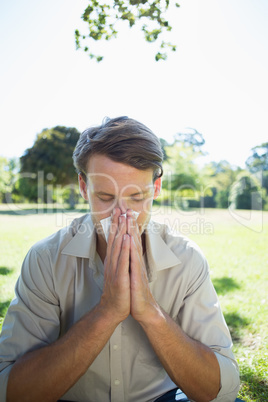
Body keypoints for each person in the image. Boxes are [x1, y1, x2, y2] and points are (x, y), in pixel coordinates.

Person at [0, 117, 240, 402]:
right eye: (105, 197)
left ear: (156, 188)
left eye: (137, 198)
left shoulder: (186, 259)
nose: (121, 216)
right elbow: (12, 391)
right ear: (83, 186)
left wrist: (150, 312)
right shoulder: (46, 259)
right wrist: (108, 311)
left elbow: (220, 389)